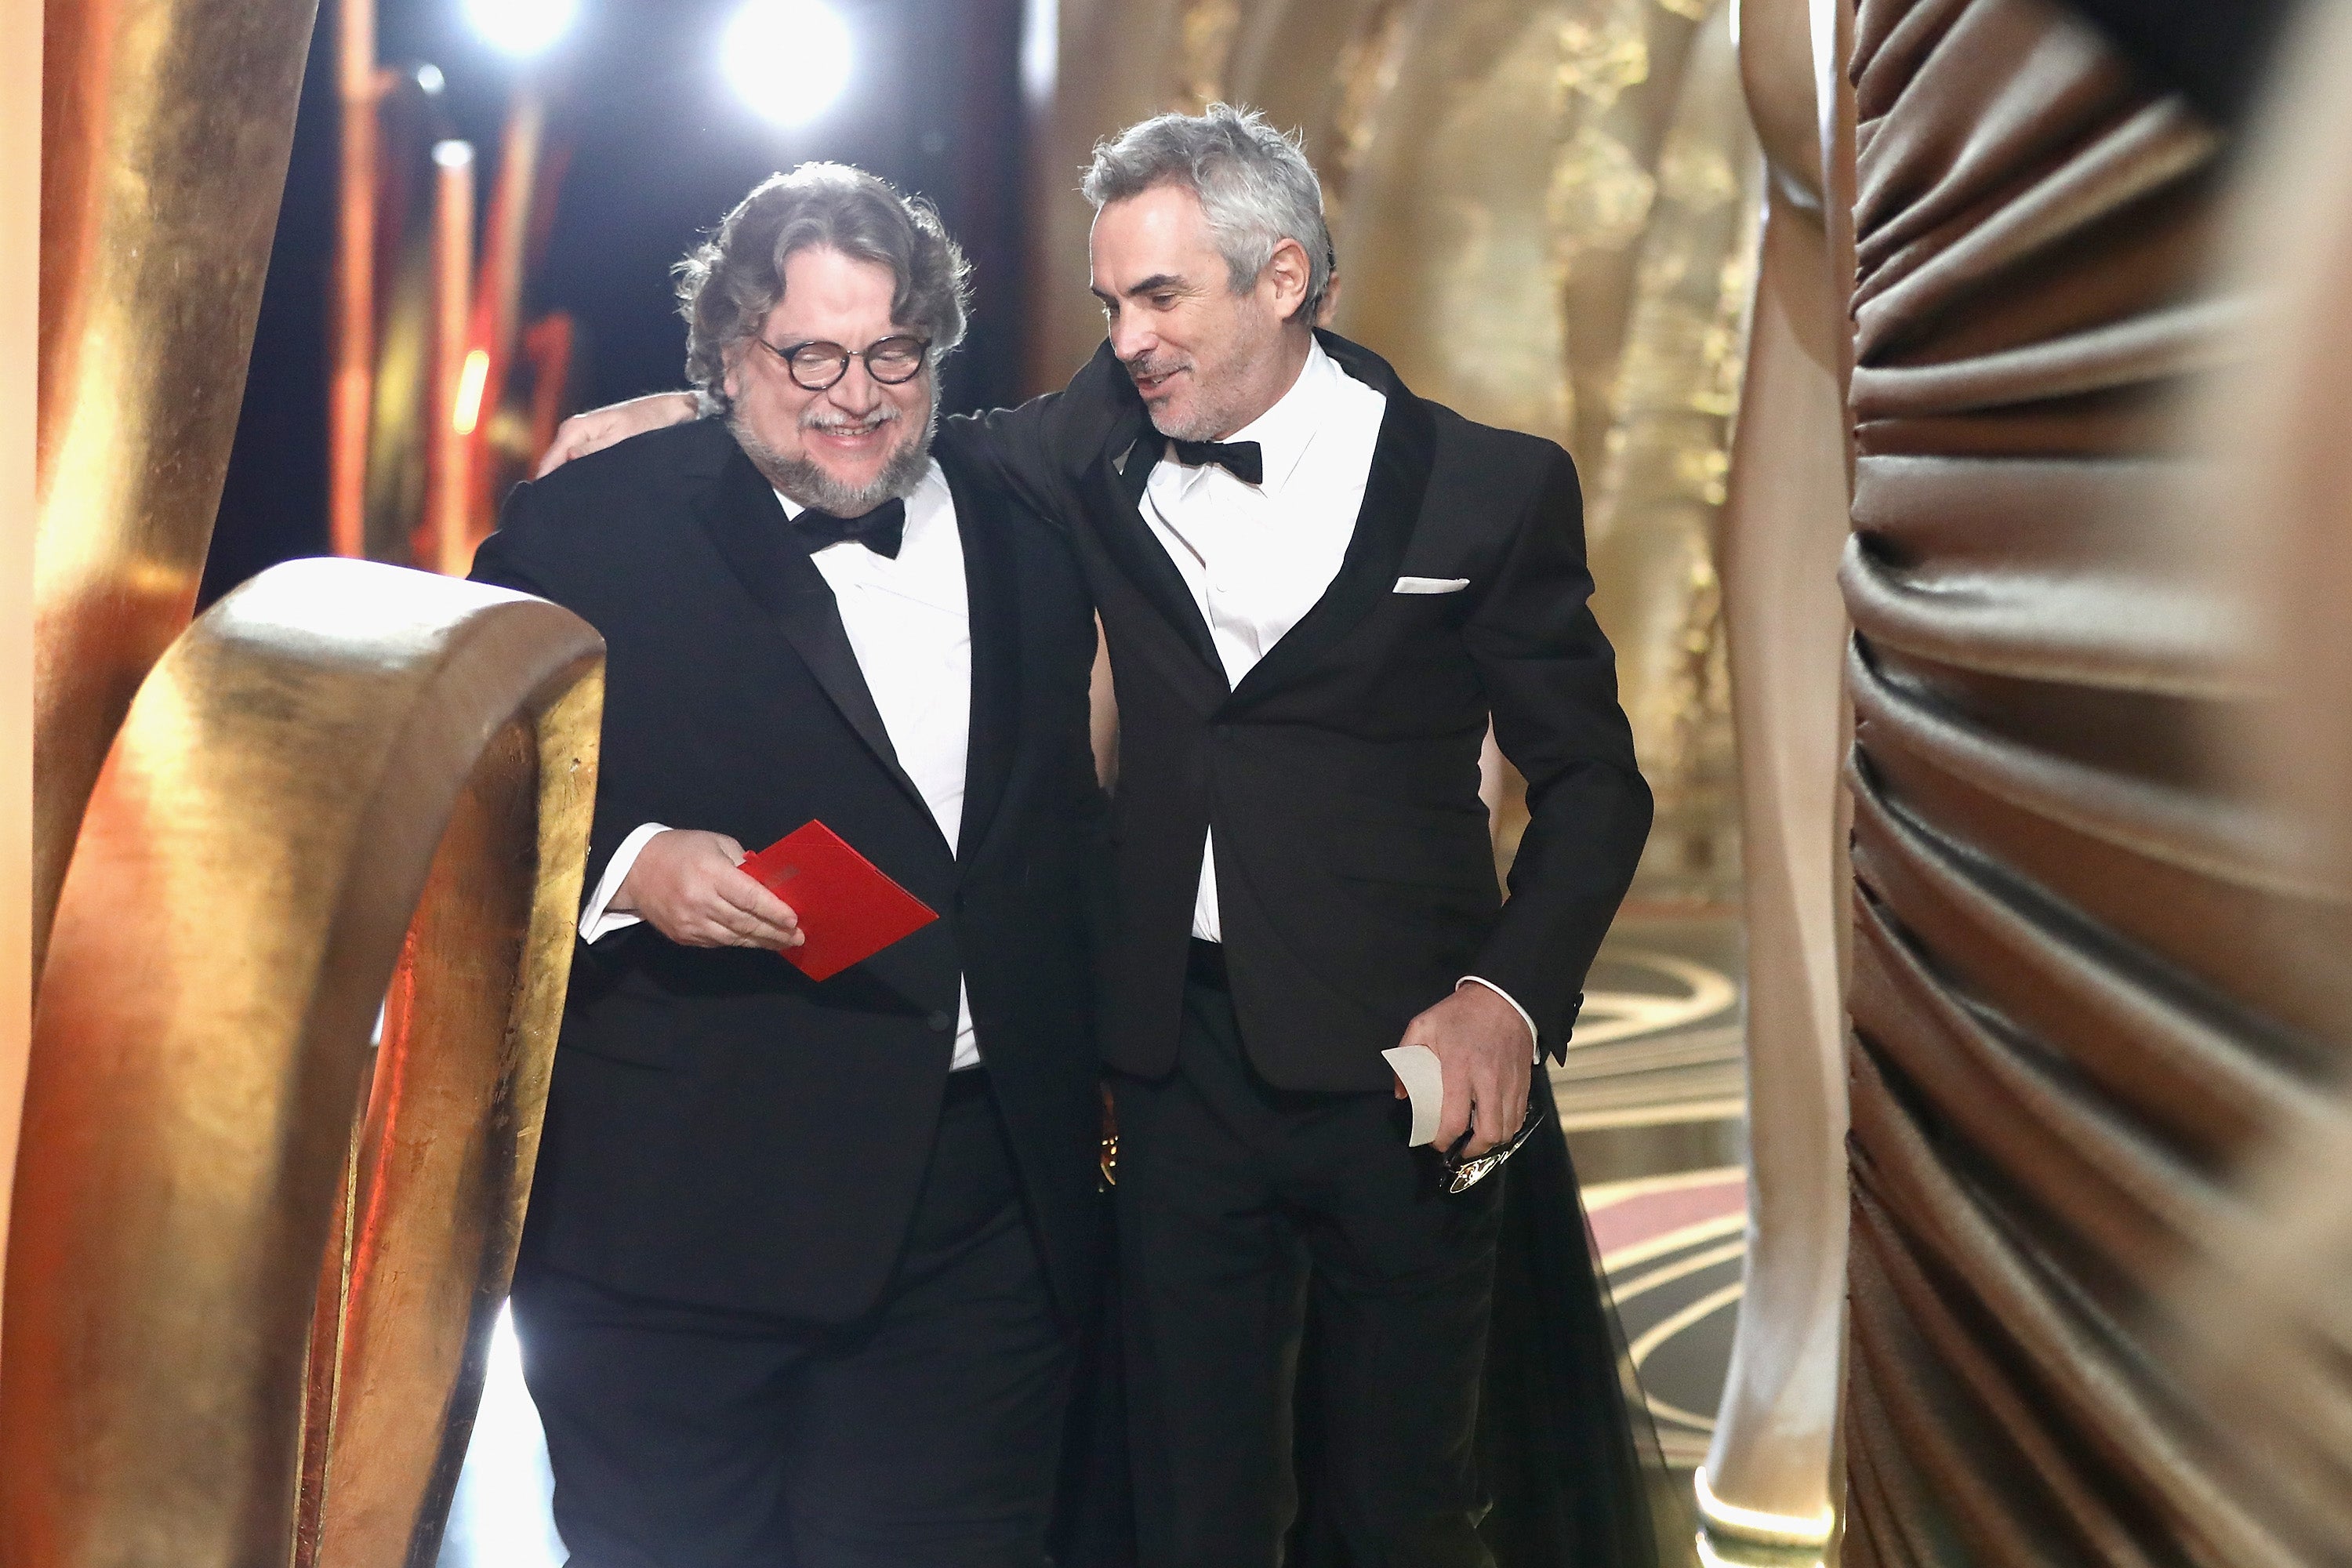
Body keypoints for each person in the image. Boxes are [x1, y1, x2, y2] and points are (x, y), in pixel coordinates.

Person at [546, 107, 1659, 1568]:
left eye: (1159, 297)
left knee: (1405, 1501)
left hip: (1405, 1059)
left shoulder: (1487, 486)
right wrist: (688, 411)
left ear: (1283, 278)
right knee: (1182, 1507)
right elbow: (855, 417)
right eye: (1109, 304)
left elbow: (1598, 786)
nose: (1127, 340)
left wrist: (1509, 997)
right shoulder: (1085, 452)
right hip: (1163, 1071)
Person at [471, 163, 1107, 1568]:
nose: (856, 392)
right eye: (810, 352)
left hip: (974, 1214)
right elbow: (473, 779)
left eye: (893, 352)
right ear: (728, 358)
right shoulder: (591, 522)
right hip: (679, 1221)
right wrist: (632, 865)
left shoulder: (1027, 513)